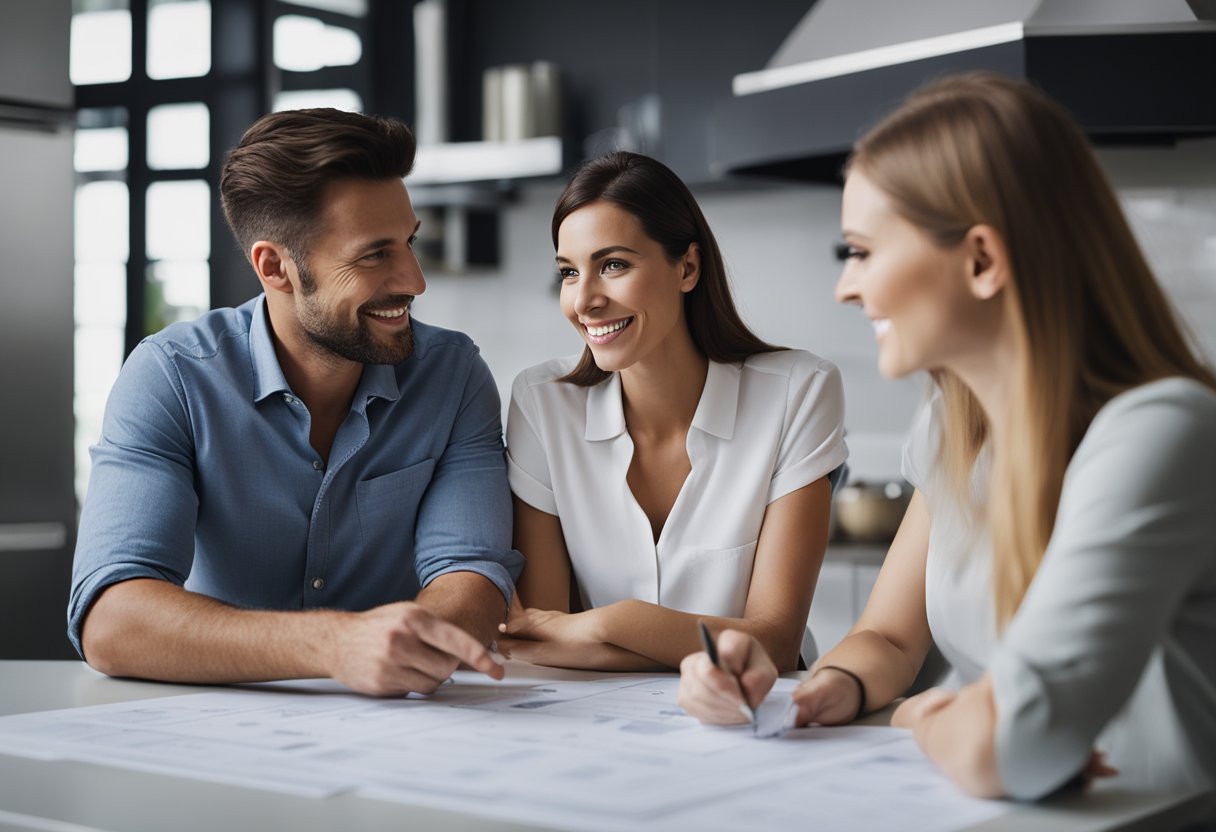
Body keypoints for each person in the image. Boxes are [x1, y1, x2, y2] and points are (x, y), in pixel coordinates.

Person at [678, 71, 1216, 802]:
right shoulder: (952, 426)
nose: (846, 287)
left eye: (862, 252)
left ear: (982, 260)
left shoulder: (1161, 434)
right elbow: (891, 641)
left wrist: (924, 717)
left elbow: (1008, 745)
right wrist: (825, 688)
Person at [68, 108, 522, 696]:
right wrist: (333, 647)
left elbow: (473, 573)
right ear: (275, 267)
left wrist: (403, 647)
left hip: (406, 725)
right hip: (211, 731)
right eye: (374, 254)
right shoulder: (173, 377)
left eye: (409, 243)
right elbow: (111, 618)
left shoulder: (453, 377)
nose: (414, 279)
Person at [497, 151, 847, 672]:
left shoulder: (799, 392)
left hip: (749, 715)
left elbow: (772, 643)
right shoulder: (542, 403)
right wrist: (706, 641)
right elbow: (539, 638)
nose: (585, 300)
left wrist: (607, 623)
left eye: (613, 264)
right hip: (595, 718)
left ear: (687, 267)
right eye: (570, 272)